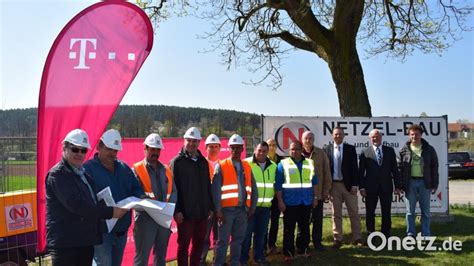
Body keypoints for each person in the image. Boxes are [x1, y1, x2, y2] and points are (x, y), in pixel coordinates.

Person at [46, 129, 127, 266]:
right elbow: (79, 206)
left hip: (84, 242)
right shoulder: (58, 175)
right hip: (66, 245)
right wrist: (111, 212)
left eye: (83, 150)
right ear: (65, 147)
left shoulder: (83, 175)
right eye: (75, 149)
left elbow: (92, 202)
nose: (79, 154)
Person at [83, 129, 145, 266]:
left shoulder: (124, 168)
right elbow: (85, 203)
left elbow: (136, 188)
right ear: (99, 146)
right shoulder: (88, 169)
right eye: (109, 149)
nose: (112, 153)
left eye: (115, 150)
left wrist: (142, 198)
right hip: (102, 233)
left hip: (121, 231)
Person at [170, 127, 214, 266]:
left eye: (195, 141)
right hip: (185, 215)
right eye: (189, 140)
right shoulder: (176, 162)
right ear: (184, 141)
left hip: (202, 214)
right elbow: (172, 189)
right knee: (183, 246)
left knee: (199, 245)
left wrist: (210, 207)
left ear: (199, 142)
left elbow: (208, 186)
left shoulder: (203, 162)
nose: (192, 144)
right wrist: (176, 211)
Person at [212, 134, 257, 266]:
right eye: (233, 148)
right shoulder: (221, 165)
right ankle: (218, 263)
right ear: (229, 148)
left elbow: (254, 189)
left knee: (238, 240)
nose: (236, 151)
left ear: (242, 149)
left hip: (242, 210)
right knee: (223, 241)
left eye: (238, 148)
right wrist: (218, 210)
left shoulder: (247, 166)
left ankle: (235, 263)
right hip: (226, 211)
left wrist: (252, 207)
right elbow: (215, 190)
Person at [132, 133, 177, 266]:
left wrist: (168, 208)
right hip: (145, 220)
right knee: (142, 258)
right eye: (152, 149)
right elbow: (136, 195)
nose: (155, 152)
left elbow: (173, 191)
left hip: (163, 220)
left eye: (158, 149)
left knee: (161, 256)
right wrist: (156, 208)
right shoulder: (136, 170)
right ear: (145, 148)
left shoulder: (167, 170)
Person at [275, 141, 318, 261]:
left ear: (301, 150)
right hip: (289, 203)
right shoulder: (283, 164)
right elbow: (278, 185)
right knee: (289, 229)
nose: (294, 152)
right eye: (292, 149)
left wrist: (315, 198)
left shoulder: (309, 163)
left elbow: (314, 183)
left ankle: (303, 250)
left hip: (306, 201)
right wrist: (280, 201)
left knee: (304, 228)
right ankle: (288, 253)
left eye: (297, 149)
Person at [323, 127, 362, 248]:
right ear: (332, 136)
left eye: (340, 134)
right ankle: (337, 239)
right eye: (336, 134)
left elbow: (355, 168)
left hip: (349, 186)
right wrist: (327, 187)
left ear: (344, 136)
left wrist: (355, 185)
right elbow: (325, 170)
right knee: (336, 214)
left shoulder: (350, 149)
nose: (338, 136)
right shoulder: (327, 149)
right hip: (334, 185)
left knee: (354, 212)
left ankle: (357, 237)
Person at [358, 129, 401, 237]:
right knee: (370, 212)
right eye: (373, 137)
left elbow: (395, 170)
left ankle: (386, 234)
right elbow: (361, 172)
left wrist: (397, 186)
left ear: (381, 137)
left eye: (377, 136)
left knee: (386, 212)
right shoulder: (365, 152)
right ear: (370, 138)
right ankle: (370, 234)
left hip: (386, 187)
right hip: (370, 188)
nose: (375, 138)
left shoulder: (390, 151)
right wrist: (361, 187)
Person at [240, 141, 276, 265]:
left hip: (265, 208)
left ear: (268, 152)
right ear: (255, 149)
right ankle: (243, 259)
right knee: (246, 234)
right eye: (259, 150)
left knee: (261, 234)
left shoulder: (273, 166)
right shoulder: (246, 164)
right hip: (250, 207)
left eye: (264, 151)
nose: (261, 153)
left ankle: (259, 257)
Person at [399, 124, 439, 237]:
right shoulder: (404, 150)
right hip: (410, 183)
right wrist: (401, 185)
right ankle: (410, 234)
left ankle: (426, 234)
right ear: (409, 135)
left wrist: (435, 184)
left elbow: (434, 167)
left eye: (416, 134)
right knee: (410, 212)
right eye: (412, 134)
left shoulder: (429, 149)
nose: (414, 136)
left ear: (421, 135)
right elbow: (400, 169)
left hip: (425, 183)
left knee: (425, 212)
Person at [301, 130, 332, 251]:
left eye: (310, 138)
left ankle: (317, 243)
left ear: (313, 140)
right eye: (306, 138)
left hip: (317, 194)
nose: (308, 140)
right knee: (304, 221)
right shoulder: (298, 154)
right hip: (302, 195)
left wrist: (326, 191)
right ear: (302, 140)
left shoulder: (321, 153)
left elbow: (327, 174)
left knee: (318, 221)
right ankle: (304, 244)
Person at [201, 133, 221, 265]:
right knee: (204, 237)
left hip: (220, 207)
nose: (213, 149)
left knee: (219, 237)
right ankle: (201, 260)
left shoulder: (223, 165)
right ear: (205, 148)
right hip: (206, 208)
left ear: (219, 148)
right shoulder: (201, 164)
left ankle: (217, 260)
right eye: (210, 146)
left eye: (215, 146)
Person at [265, 138, 284, 254]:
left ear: (276, 147)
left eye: (273, 145)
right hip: (265, 197)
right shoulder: (261, 160)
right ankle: (263, 245)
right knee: (264, 222)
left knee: (275, 221)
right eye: (269, 145)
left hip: (277, 197)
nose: (271, 147)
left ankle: (272, 244)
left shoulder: (282, 161)